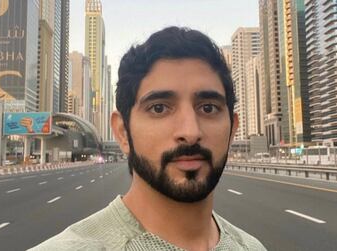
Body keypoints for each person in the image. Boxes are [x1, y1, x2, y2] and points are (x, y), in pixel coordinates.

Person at [29, 26, 267, 251]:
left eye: (208, 108)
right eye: (159, 108)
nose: (190, 131)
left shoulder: (252, 247)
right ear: (123, 132)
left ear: (233, 129)